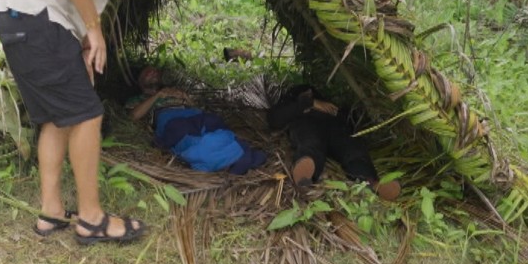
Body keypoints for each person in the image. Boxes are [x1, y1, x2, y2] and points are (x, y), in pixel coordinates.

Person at [0, 0, 179, 244]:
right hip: (37, 20)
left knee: (59, 119)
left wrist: (75, 38)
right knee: (86, 115)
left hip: (28, 21)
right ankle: (92, 220)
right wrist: (94, 31)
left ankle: (51, 213)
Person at [266, 84, 401, 201]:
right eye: (306, 93)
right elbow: (274, 119)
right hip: (307, 124)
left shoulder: (328, 105)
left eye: (311, 93)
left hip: (334, 127)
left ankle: (371, 183)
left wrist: (339, 113)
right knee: (311, 144)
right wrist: (308, 103)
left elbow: (350, 120)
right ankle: (305, 176)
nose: (310, 93)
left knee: (353, 148)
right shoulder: (291, 104)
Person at [128, 66, 267, 174]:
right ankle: (235, 155)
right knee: (184, 133)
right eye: (147, 72)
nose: (153, 72)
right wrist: (158, 95)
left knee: (215, 123)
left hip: (196, 115)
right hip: (171, 120)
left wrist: (186, 99)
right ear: (139, 81)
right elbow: (133, 116)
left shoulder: (172, 91)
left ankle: (224, 154)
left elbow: (195, 106)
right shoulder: (138, 100)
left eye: (155, 71)